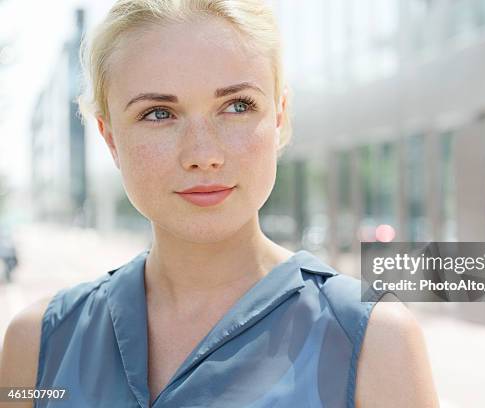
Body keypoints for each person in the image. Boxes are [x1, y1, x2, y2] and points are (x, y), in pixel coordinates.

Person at [0, 1, 439, 407]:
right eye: (159, 113)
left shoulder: (374, 342)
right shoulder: (37, 344)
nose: (203, 153)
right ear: (111, 137)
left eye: (236, 106)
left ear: (280, 117)